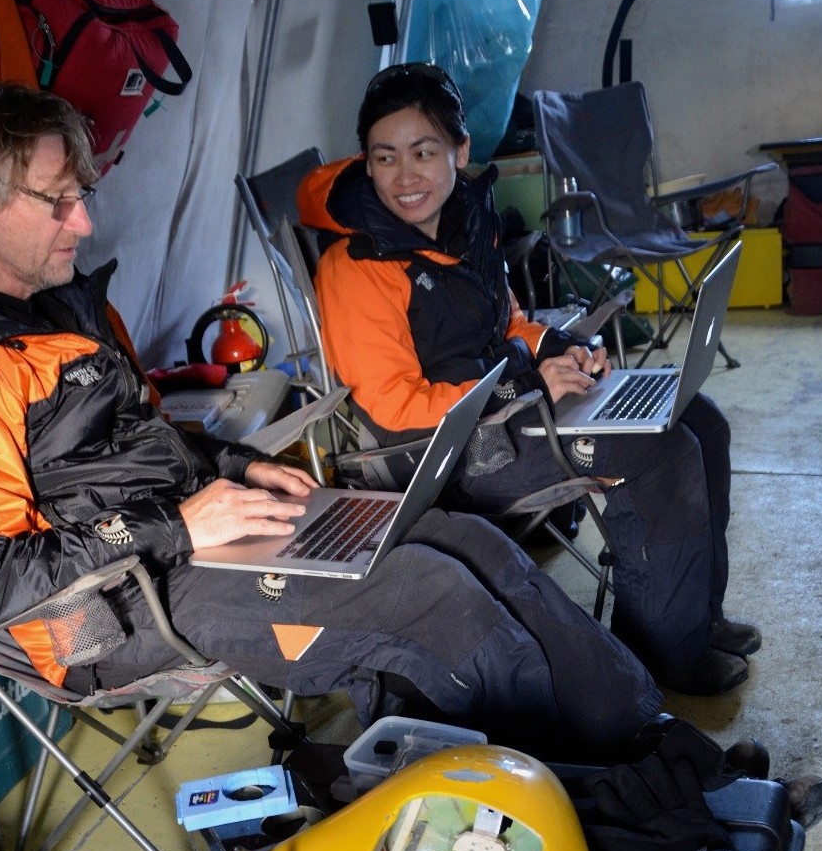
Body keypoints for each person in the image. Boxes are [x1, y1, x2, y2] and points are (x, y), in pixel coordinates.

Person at [0, 78, 665, 762]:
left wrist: (233, 468)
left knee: (463, 539)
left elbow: (139, 443)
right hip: (92, 617)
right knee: (436, 599)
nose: (85, 221)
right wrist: (178, 524)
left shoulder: (56, 297)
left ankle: (644, 739)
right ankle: (583, 808)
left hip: (184, 536)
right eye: (59, 201)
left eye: (83, 196)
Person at [297, 63, 760, 696]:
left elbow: (509, 323)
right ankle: (666, 651)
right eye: (386, 158)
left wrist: (566, 346)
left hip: (510, 409)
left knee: (700, 416)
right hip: (448, 451)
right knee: (658, 450)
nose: (405, 176)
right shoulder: (356, 265)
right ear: (366, 163)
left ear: (460, 151)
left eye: (424, 151)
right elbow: (395, 406)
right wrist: (531, 384)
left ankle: (696, 616)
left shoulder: (469, 220)